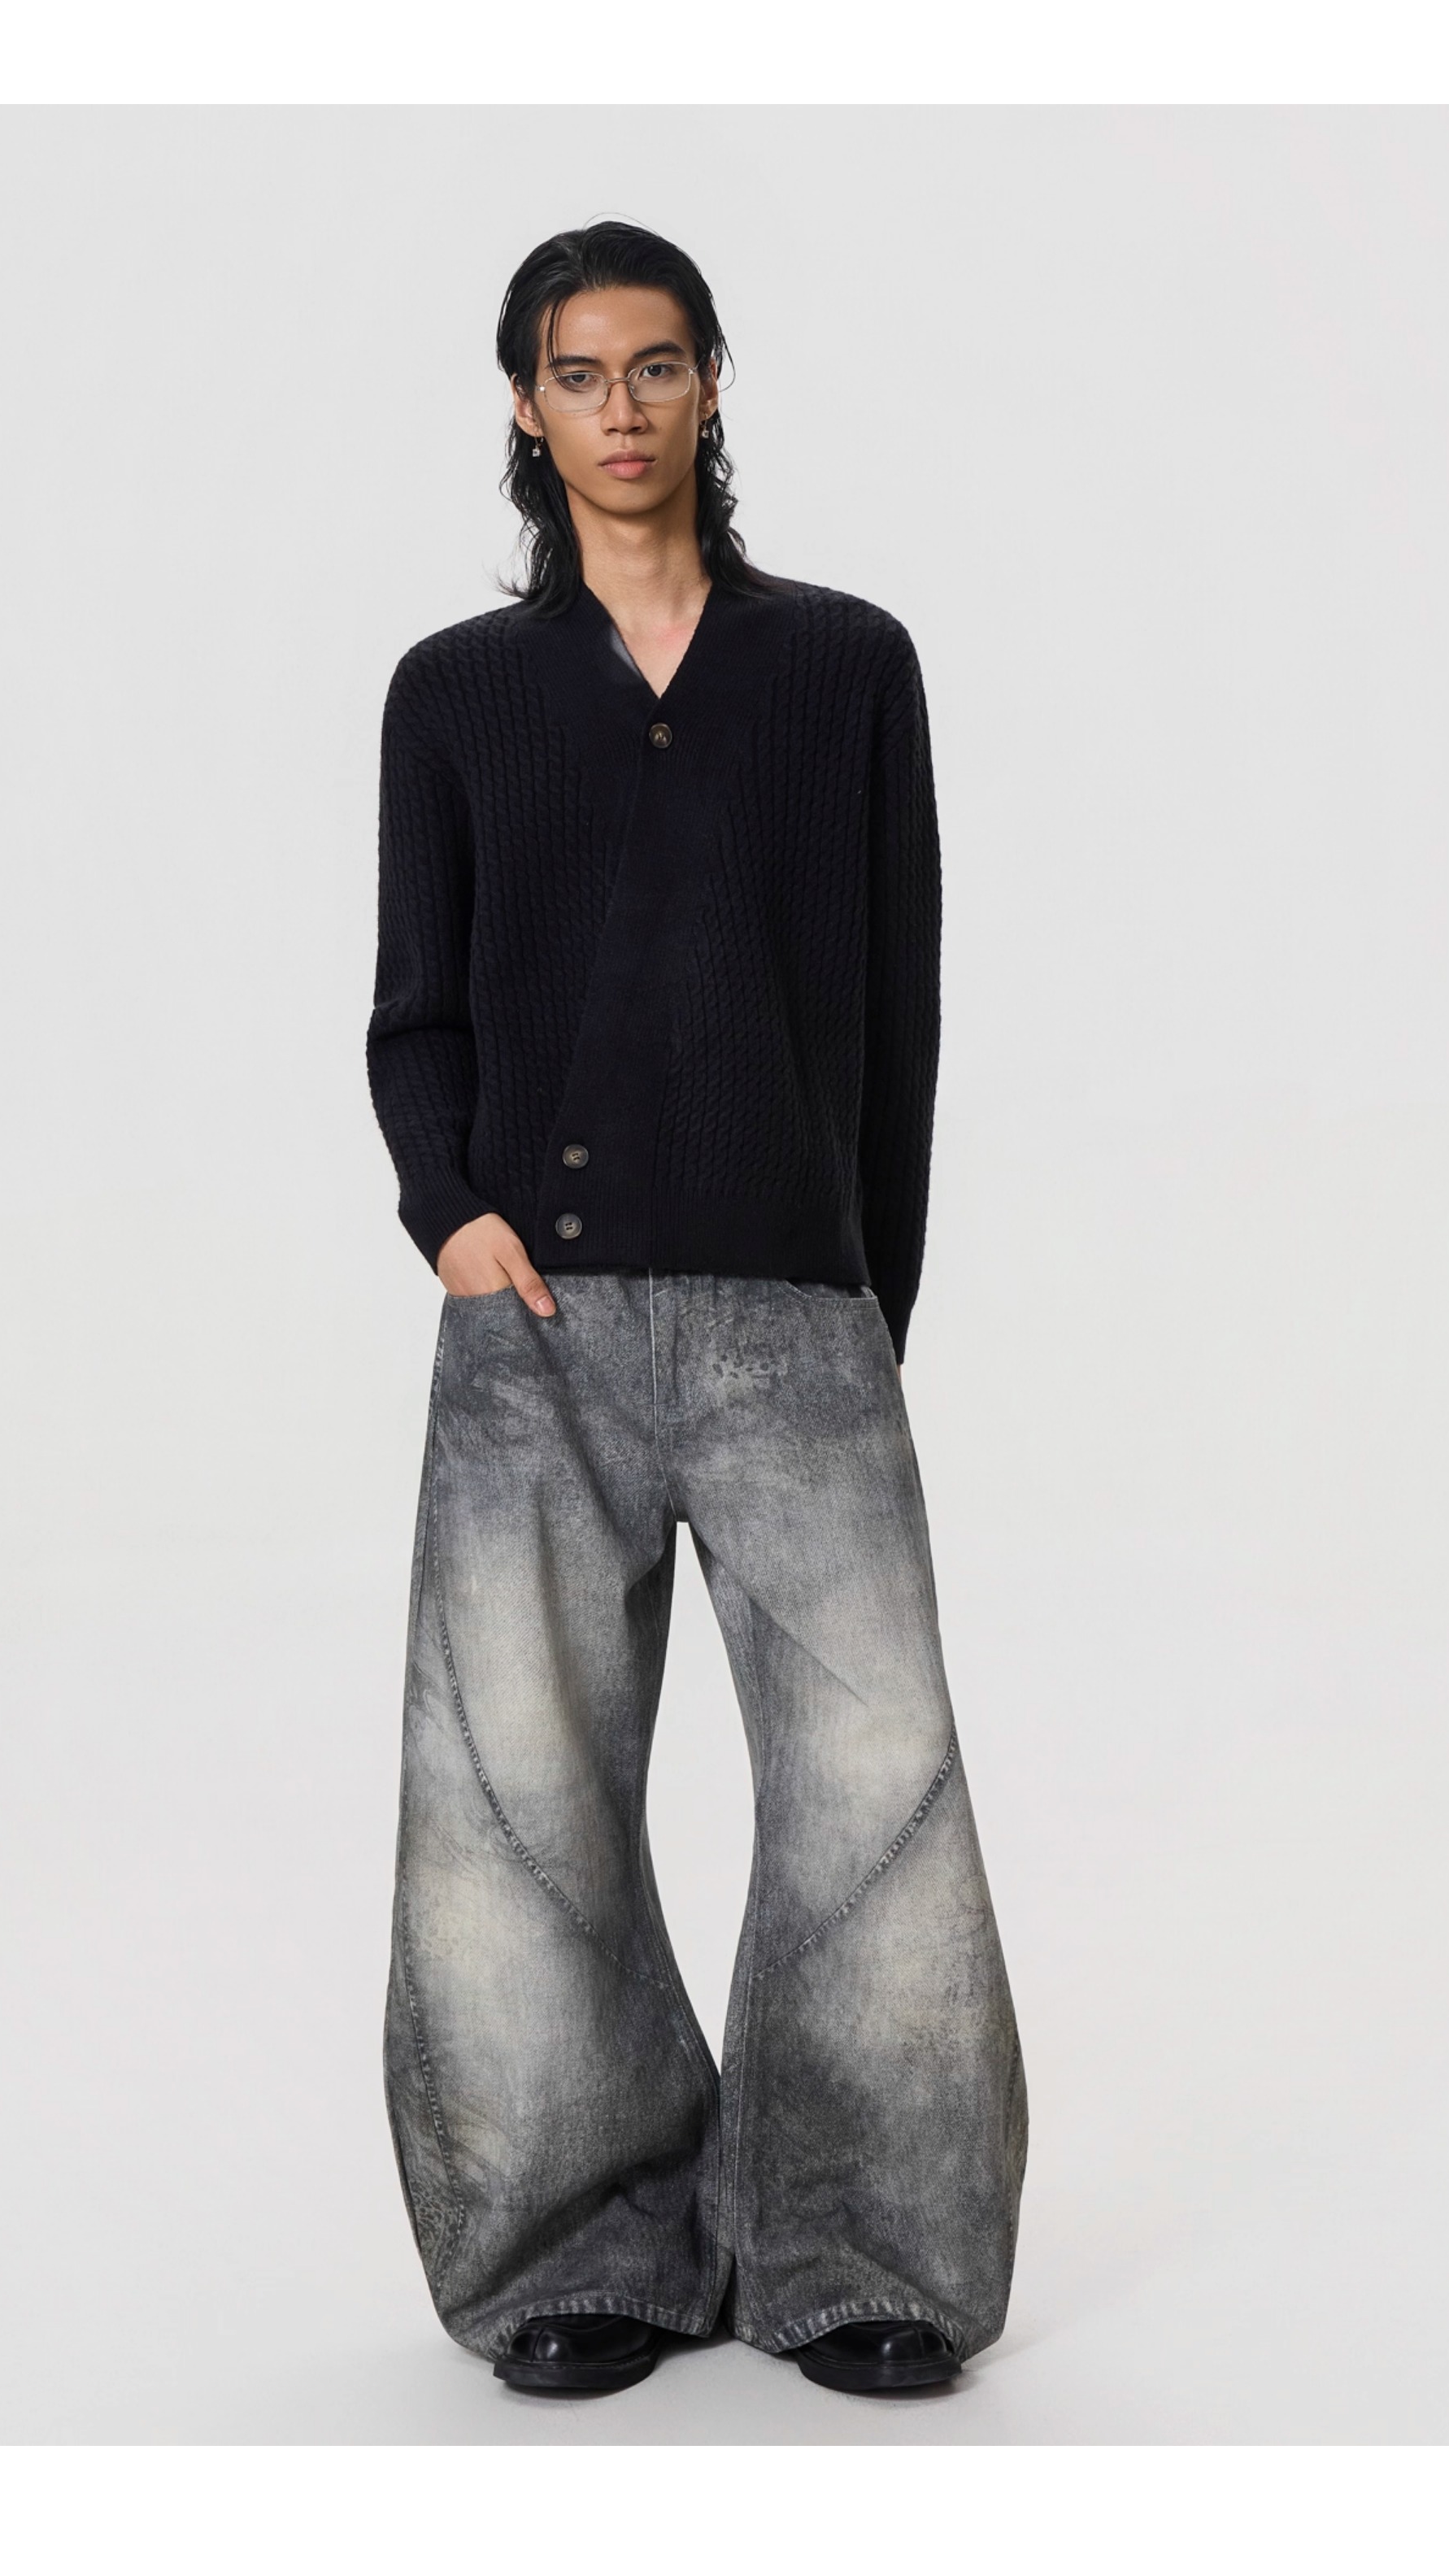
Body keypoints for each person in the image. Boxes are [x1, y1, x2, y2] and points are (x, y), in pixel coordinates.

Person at [364, 220, 1027, 2399]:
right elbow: (416, 1009)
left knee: (875, 1794)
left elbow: (901, 1019)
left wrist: (865, 1288)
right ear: (526, 406)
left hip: (794, 1314)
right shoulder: (457, 696)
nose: (621, 408)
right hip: (533, 1322)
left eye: (656, 365)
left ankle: (866, 2255)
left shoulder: (844, 668)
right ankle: (580, 2248)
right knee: (517, 1802)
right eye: (578, 374)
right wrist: (453, 1222)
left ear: (714, 382)